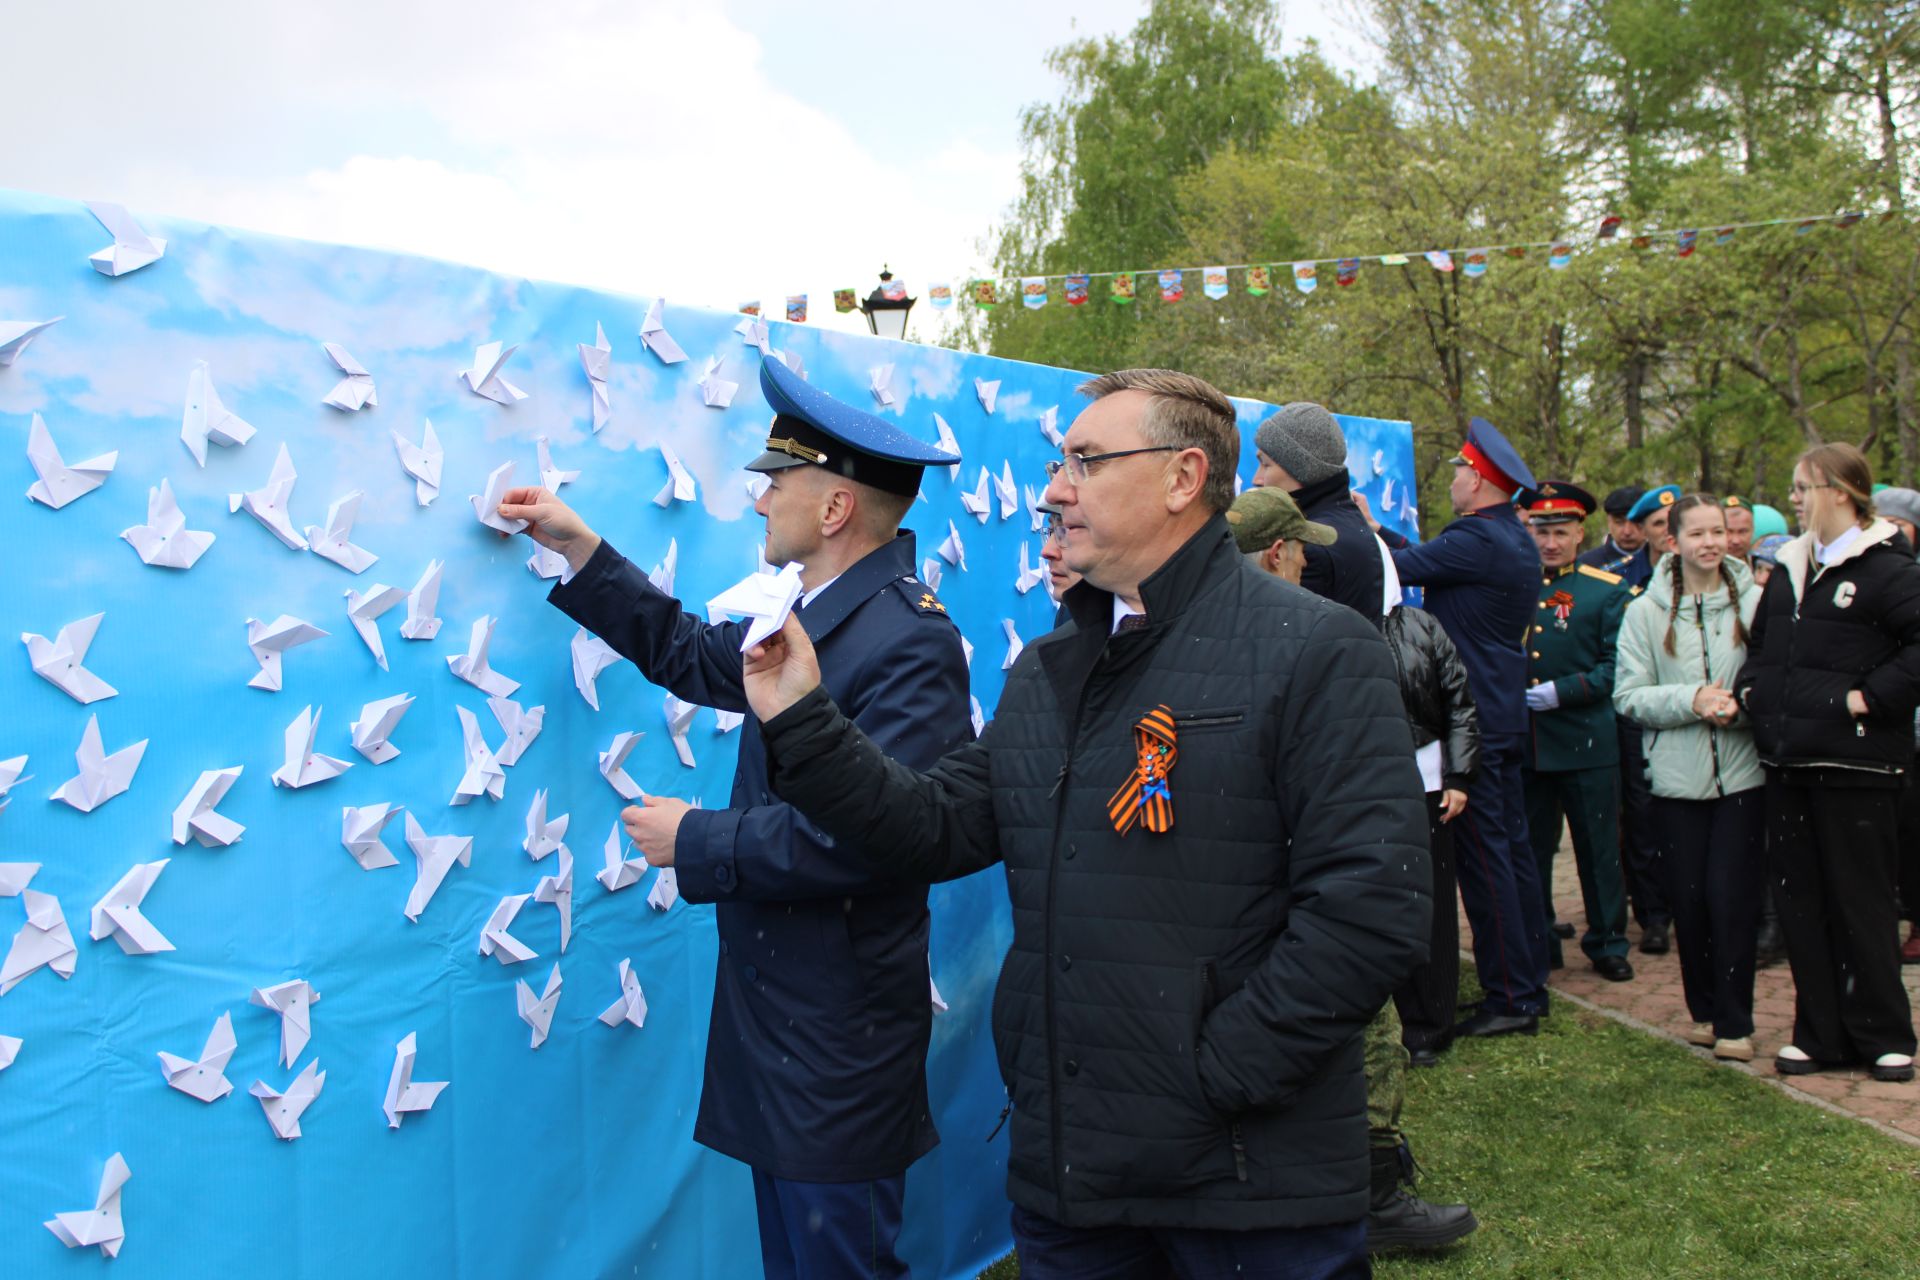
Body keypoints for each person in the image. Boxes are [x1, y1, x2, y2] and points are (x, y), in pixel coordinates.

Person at [743, 368, 1433, 1276]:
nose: (1055, 487)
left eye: (1086, 460)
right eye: (1060, 461)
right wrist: (802, 718)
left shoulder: (1313, 648)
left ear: (1184, 478)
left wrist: (1215, 1075)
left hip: (1249, 1186)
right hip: (1074, 1179)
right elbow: (936, 823)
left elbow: (1370, 907)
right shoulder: (1050, 669)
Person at [497, 356, 972, 1278]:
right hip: (784, 1028)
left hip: (839, 1041)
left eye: (778, 482)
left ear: (834, 509)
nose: (760, 501)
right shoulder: (818, 612)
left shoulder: (908, 641)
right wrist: (581, 550)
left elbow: (884, 840)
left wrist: (697, 842)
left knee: (840, 1263)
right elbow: (686, 652)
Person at [1229, 485, 1479, 1255]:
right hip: (1311, 881)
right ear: (1277, 553)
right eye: (1300, 547)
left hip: (1253, 891)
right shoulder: (1310, 639)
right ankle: (1371, 1196)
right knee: (1364, 1028)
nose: (1308, 558)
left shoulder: (1203, 637)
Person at [1736, 442, 1920, 1083]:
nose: (1794, 497)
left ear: (1841, 490)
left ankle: (1885, 1034)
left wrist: (1870, 697)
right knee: (1801, 903)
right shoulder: (1790, 564)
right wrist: (1753, 693)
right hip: (1790, 763)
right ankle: (1819, 1033)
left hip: (1860, 765)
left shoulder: (1891, 568)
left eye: (1802, 485)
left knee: (1862, 901)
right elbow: (1763, 649)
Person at [1374, 417, 1550, 1037]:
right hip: (1502, 713)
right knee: (1513, 854)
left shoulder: (1476, 539)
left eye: (1456, 471)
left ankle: (1512, 997)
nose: (1450, 481)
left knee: (1485, 860)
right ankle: (1526, 981)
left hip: (1472, 721)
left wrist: (1361, 531)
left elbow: (1403, 566)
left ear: (1476, 478)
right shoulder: (1511, 537)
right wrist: (1377, 530)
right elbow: (1421, 558)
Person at [1615, 495, 1766, 1061]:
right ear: (1671, 542)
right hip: (1676, 781)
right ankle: (1704, 1011)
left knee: (1733, 899)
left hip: (1744, 777)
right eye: (1698, 533)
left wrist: (1741, 705)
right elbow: (1628, 696)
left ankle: (1736, 1023)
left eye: (1720, 532)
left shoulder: (1756, 603)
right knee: (1692, 900)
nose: (1712, 542)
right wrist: (1692, 699)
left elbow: (1774, 675)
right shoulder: (1645, 613)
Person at [1520, 482, 1635, 981]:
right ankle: (1540, 936)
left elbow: (1618, 668)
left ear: (1578, 532)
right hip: (1530, 745)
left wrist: (1563, 692)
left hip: (1586, 739)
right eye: (1541, 532)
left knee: (1598, 850)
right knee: (1532, 849)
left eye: (1560, 533)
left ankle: (1608, 941)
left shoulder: (1605, 591)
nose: (1550, 543)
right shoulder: (1515, 585)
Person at [1252, 402, 1383, 621]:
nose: (1257, 479)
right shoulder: (1345, 521)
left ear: (1302, 469)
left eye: (1266, 465)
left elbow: (1281, 635)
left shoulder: (1310, 547)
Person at [1578, 485, 1650, 586]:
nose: (1627, 531)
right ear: (1609, 522)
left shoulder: (1661, 561)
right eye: (1619, 522)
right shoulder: (1587, 565)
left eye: (1636, 522)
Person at [1723, 495, 1757, 562]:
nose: (1736, 541)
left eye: (1742, 532)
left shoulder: (1762, 567)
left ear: (1753, 530)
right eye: (1728, 532)